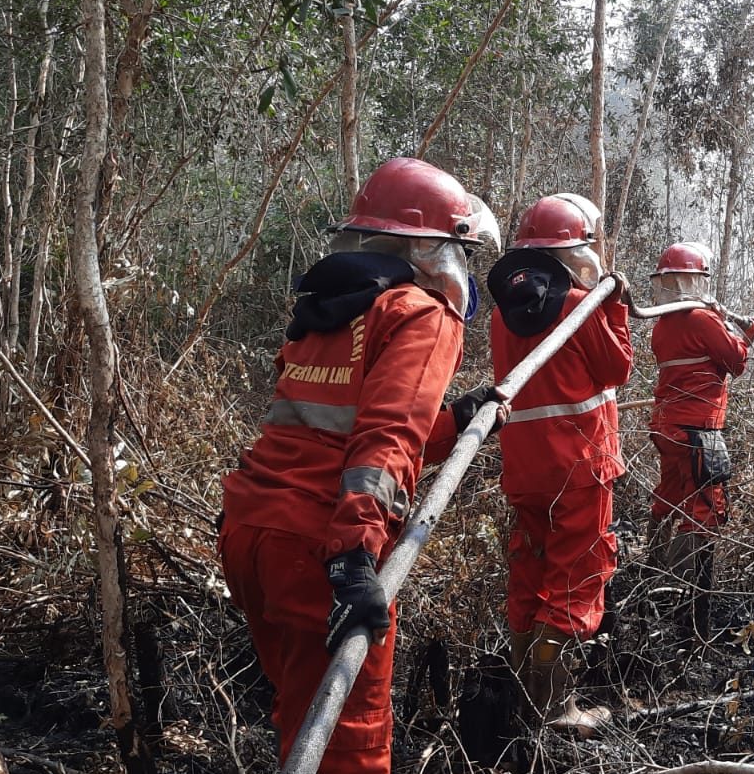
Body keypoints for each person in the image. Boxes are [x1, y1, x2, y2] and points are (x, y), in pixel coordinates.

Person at [218, 157, 504, 774]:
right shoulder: (421, 313)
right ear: (430, 247)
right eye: (461, 251)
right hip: (321, 548)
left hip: (249, 534)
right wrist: (353, 559)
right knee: (349, 745)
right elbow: (386, 439)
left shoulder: (326, 312)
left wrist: (454, 422)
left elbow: (335, 433)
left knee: (303, 716)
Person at [487, 193, 632, 736]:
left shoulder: (504, 313)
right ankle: (554, 709)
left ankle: (523, 697)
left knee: (530, 573)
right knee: (577, 579)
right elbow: (617, 368)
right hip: (580, 469)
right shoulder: (577, 305)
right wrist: (613, 304)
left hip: (526, 471)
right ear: (577, 253)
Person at [645, 242, 754, 643]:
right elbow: (736, 361)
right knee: (706, 511)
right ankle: (688, 613)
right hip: (697, 431)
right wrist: (747, 332)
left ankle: (652, 578)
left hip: (668, 427)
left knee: (669, 496)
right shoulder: (699, 319)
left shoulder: (663, 324)